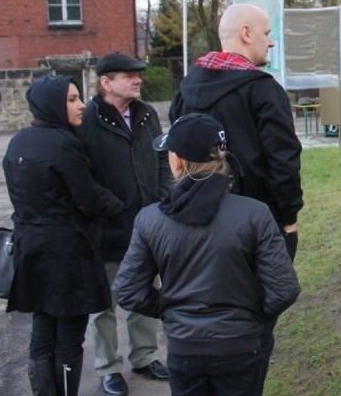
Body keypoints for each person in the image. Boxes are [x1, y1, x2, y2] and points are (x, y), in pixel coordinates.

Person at [114, 113, 301, 396]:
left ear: (176, 160)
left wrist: (170, 310)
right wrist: (249, 315)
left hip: (184, 348)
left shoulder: (149, 220)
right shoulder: (254, 213)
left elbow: (127, 290)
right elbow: (283, 288)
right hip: (240, 346)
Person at [169, 3, 303, 390]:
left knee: (206, 311)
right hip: (256, 227)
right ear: (246, 34)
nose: (272, 41)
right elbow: (283, 160)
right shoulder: (262, 90)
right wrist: (288, 218)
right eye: (266, 33)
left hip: (193, 224)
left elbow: (175, 152)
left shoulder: (188, 87)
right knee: (254, 327)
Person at [3, 75, 126, 395]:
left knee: (42, 332)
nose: (81, 104)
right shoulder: (64, 144)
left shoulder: (19, 141)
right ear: (53, 105)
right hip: (67, 254)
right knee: (70, 335)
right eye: (72, 99)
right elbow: (88, 199)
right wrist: (121, 206)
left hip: (31, 250)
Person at [78, 52, 172, 396]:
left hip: (147, 224)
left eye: (139, 75)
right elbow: (81, 175)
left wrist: (163, 198)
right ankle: (108, 367)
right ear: (106, 82)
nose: (138, 80)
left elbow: (162, 156)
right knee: (103, 302)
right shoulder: (87, 119)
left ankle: (145, 356)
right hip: (105, 228)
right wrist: (111, 207)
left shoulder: (147, 114)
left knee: (145, 294)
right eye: (129, 75)